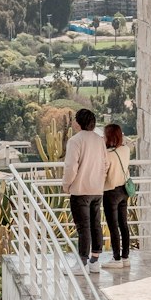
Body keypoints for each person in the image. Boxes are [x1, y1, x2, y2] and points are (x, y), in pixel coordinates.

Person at [61, 107, 107, 273]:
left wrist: (66, 185)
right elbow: (105, 164)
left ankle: (82, 263)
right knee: (95, 224)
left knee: (83, 227)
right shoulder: (99, 140)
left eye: (74, 119)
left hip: (80, 189)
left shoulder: (75, 141)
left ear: (78, 123)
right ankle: (95, 261)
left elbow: (71, 167)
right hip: (97, 189)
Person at [102, 122, 131, 267]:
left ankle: (116, 258)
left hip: (111, 192)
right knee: (123, 224)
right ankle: (125, 257)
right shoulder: (125, 150)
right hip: (124, 190)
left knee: (113, 226)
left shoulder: (107, 155)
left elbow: (103, 173)